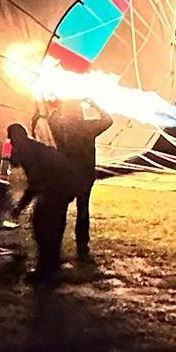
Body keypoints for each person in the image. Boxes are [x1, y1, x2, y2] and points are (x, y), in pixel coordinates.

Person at [5, 123, 85, 282]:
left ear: (17, 138)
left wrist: (20, 206)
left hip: (60, 186)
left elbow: (36, 183)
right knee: (48, 227)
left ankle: (46, 270)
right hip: (62, 185)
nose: (10, 143)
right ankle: (50, 266)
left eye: (11, 140)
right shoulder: (30, 148)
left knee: (43, 227)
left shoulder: (28, 152)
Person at [45, 98, 114, 262]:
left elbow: (51, 119)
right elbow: (108, 120)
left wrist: (60, 105)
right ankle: (82, 247)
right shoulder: (88, 127)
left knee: (61, 210)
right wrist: (94, 104)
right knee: (82, 210)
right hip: (85, 175)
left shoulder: (62, 128)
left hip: (66, 174)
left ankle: (56, 244)